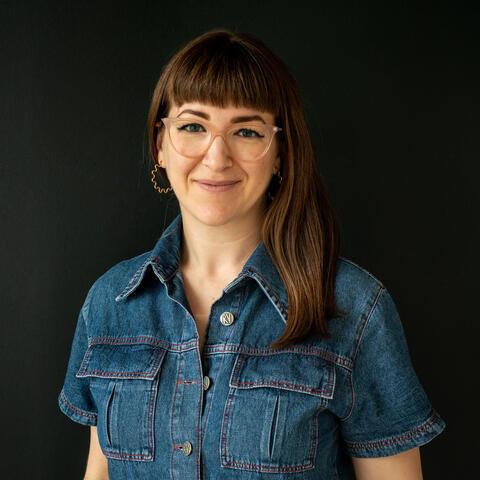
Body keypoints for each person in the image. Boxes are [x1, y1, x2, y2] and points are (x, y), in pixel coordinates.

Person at [58, 28, 446, 480]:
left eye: (245, 130)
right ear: (160, 143)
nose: (216, 156)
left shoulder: (353, 309)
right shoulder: (109, 302)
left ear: (279, 152)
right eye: (192, 126)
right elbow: (100, 471)